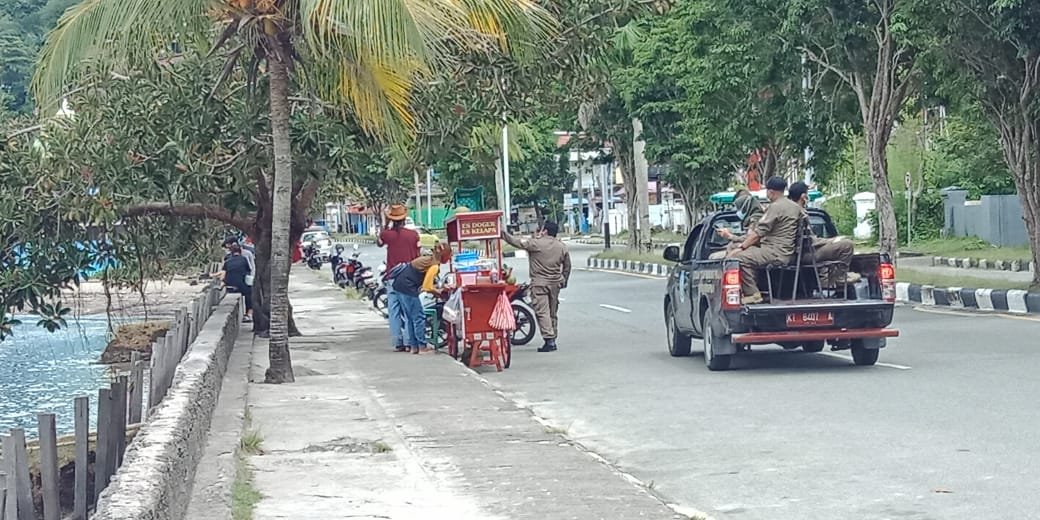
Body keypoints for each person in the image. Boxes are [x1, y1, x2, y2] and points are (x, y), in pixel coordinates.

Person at [728, 176, 803, 304]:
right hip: (787, 252)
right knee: (747, 254)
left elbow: (758, 233)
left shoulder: (775, 207)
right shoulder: (795, 207)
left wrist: (741, 247)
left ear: (771, 192)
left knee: (738, 258)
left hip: (774, 251)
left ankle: (753, 294)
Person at [502, 221, 571, 352]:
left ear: (544, 231)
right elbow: (567, 265)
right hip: (555, 283)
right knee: (552, 311)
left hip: (539, 284)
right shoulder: (562, 246)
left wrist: (503, 234)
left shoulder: (536, 243)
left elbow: (516, 242)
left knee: (542, 312)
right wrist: (564, 279)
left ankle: (549, 340)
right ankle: (553, 337)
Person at [786, 181, 860, 286]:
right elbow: (810, 241)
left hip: (800, 252)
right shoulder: (799, 213)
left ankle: (832, 278)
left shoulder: (788, 210)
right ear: (803, 196)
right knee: (847, 245)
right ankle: (839, 278)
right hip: (806, 253)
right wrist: (831, 240)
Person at [391, 242, 451, 355]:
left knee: (410, 317)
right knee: (419, 317)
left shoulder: (429, 259)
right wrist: (438, 292)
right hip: (407, 287)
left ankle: (414, 347)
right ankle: (422, 347)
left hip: (399, 285)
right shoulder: (434, 265)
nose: (450, 258)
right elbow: (427, 286)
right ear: (444, 255)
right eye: (449, 255)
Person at [378, 203, 421, 352]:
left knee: (394, 310)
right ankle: (410, 342)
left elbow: (379, 242)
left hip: (392, 277)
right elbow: (417, 256)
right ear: (404, 219)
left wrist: (384, 222)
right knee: (408, 311)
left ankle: (398, 342)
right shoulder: (413, 235)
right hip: (408, 278)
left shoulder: (387, 234)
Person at [710, 192, 766, 259]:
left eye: (739, 208)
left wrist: (730, 236)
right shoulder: (755, 218)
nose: (737, 211)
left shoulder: (755, 219)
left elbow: (750, 238)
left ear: (745, 207)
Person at [216, 243, 253, 322]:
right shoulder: (244, 259)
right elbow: (249, 270)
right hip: (240, 284)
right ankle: (248, 313)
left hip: (229, 283)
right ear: (240, 251)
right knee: (249, 294)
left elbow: (223, 272)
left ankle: (223, 285)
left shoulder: (228, 261)